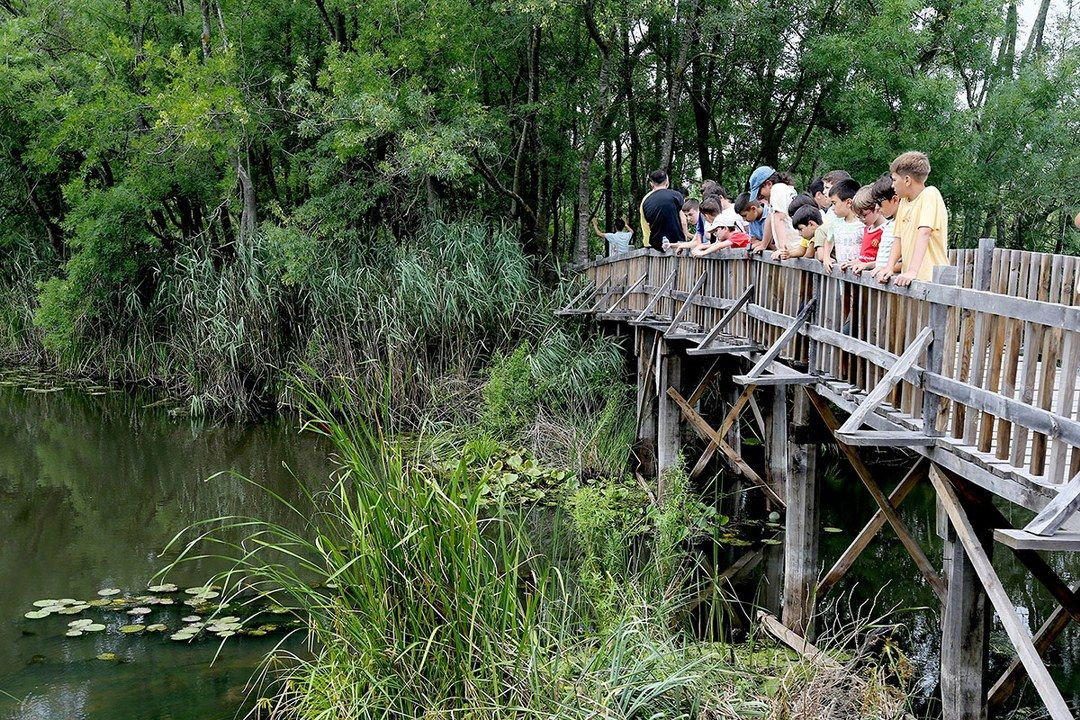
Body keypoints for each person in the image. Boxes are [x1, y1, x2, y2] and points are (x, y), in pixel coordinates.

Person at [874, 151, 949, 286]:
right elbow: (898, 238)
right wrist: (889, 266)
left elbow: (924, 232)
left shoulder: (930, 194)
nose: (892, 185)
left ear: (907, 180)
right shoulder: (903, 202)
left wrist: (913, 271)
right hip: (910, 281)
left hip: (931, 280)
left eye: (895, 180)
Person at [748, 166, 798, 254]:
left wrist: (782, 249)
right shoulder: (786, 189)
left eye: (759, 191)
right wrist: (764, 244)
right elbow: (770, 218)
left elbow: (779, 217)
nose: (759, 196)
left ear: (768, 184)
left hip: (791, 247)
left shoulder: (777, 189)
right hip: (793, 248)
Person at [819, 178, 863, 273]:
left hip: (859, 273)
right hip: (842, 274)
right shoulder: (836, 223)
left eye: (834, 203)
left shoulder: (863, 224)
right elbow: (829, 240)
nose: (832, 208)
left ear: (848, 202)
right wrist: (826, 257)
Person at [638, 170, 686, 252]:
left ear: (651, 184)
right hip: (677, 243)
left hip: (655, 246)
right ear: (667, 181)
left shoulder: (646, 201)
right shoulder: (676, 195)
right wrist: (685, 242)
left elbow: (647, 223)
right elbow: (683, 221)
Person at [843, 186, 885, 274]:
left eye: (864, 215)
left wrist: (866, 265)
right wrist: (855, 262)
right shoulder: (866, 229)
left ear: (876, 208)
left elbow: (884, 262)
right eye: (859, 216)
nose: (862, 219)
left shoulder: (885, 230)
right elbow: (866, 257)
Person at [870, 172, 900, 273]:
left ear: (895, 200)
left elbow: (907, 262)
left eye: (879, 203)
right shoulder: (888, 225)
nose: (877, 208)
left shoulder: (905, 225)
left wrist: (888, 269)